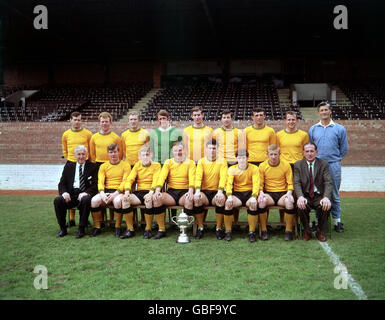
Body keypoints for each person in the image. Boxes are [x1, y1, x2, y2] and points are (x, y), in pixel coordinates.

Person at [308, 102, 348, 232]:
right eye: (321, 110)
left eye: (326, 110)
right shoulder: (313, 129)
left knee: (334, 194)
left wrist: (334, 159)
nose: (324, 112)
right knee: (317, 194)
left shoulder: (339, 129)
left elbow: (344, 149)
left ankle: (337, 222)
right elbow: (311, 148)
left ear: (330, 111)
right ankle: (318, 221)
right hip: (317, 166)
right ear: (318, 113)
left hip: (333, 165)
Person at [152, 142, 196, 239]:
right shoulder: (168, 162)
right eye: (175, 151)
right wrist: (158, 190)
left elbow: (192, 178)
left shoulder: (190, 163)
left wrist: (191, 191)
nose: (178, 153)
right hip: (171, 192)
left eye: (180, 150)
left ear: (184, 151)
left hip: (185, 192)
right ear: (172, 152)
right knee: (157, 198)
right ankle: (161, 229)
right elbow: (162, 177)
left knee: (189, 199)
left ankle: (183, 229)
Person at [54, 145, 98, 238]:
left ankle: (81, 229)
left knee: (86, 200)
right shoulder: (68, 167)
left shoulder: (93, 167)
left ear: (87, 155)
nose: (81, 156)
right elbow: (62, 183)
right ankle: (63, 229)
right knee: (58, 200)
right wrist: (64, 193)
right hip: (71, 194)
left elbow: (95, 184)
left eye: (83, 154)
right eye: (79, 154)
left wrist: (86, 192)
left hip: (84, 193)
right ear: (75, 155)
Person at [276, 110, 309, 229]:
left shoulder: (303, 135)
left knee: (297, 193)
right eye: (289, 119)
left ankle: (298, 221)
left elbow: (305, 151)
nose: (291, 122)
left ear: (297, 121)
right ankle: (283, 222)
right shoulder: (279, 135)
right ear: (285, 121)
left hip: (298, 166)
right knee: (284, 193)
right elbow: (277, 151)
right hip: (284, 166)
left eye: (293, 119)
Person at [89, 143, 131, 238]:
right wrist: (102, 193)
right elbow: (100, 181)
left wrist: (116, 193)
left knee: (117, 201)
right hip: (106, 191)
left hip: (119, 191)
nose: (113, 154)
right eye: (111, 152)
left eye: (115, 152)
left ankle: (118, 227)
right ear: (108, 153)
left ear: (119, 152)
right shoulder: (103, 166)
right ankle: (97, 227)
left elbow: (125, 181)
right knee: (94, 201)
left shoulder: (126, 165)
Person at [294, 142, 333, 242]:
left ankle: (320, 231)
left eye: (312, 151)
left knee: (325, 206)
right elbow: (297, 182)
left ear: (316, 152)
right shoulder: (298, 165)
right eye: (307, 151)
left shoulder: (323, 164)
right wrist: (300, 197)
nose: (309, 153)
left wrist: (326, 197)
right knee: (301, 206)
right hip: (305, 195)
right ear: (303, 153)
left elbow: (328, 182)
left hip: (319, 195)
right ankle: (307, 231)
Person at [89, 112, 122, 227]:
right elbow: (92, 154)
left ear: (110, 122)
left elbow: (120, 153)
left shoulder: (116, 137)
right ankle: (100, 220)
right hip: (99, 165)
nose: (104, 123)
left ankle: (113, 220)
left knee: (112, 189)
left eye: (106, 121)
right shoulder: (94, 137)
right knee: (101, 191)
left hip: (113, 164)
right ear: (99, 122)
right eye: (102, 121)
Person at [122, 145, 162, 239]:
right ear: (139, 157)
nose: (145, 157)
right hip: (139, 192)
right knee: (125, 200)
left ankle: (148, 229)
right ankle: (130, 229)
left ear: (151, 155)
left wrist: (151, 193)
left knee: (148, 201)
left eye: (147, 154)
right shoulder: (137, 165)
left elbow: (156, 180)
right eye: (143, 155)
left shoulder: (156, 165)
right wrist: (127, 192)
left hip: (151, 191)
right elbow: (130, 179)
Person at [257, 144, 295, 241]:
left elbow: (290, 183)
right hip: (269, 193)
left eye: (275, 154)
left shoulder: (286, 165)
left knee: (289, 202)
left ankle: (288, 231)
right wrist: (261, 193)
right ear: (267, 154)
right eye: (271, 154)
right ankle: (264, 230)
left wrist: (289, 193)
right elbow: (260, 183)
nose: (273, 157)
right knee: (261, 201)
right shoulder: (262, 166)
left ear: (279, 154)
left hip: (283, 193)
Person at [61, 111, 92, 225]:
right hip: (71, 163)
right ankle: (72, 219)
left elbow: (90, 148)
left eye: (79, 119)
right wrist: (69, 159)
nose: (77, 122)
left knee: (83, 190)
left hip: (84, 163)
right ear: (70, 120)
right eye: (74, 119)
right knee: (70, 189)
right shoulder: (66, 134)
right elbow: (64, 149)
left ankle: (85, 218)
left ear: (81, 121)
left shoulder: (88, 134)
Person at [194, 139, 227, 240]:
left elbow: (223, 177)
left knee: (220, 200)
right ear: (206, 149)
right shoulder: (201, 161)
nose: (212, 150)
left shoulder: (223, 161)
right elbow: (198, 176)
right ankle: (200, 227)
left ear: (217, 149)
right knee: (197, 199)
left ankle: (218, 228)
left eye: (214, 148)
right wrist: (198, 191)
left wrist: (220, 192)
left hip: (217, 191)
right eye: (210, 148)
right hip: (204, 191)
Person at [224, 149, 260, 242]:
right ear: (236, 158)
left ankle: (251, 232)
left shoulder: (254, 168)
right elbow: (229, 184)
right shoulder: (232, 169)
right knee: (228, 204)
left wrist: (254, 197)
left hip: (249, 193)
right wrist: (229, 196)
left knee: (253, 205)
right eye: (239, 158)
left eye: (244, 157)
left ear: (247, 158)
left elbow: (256, 184)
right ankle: (228, 231)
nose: (242, 160)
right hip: (238, 194)